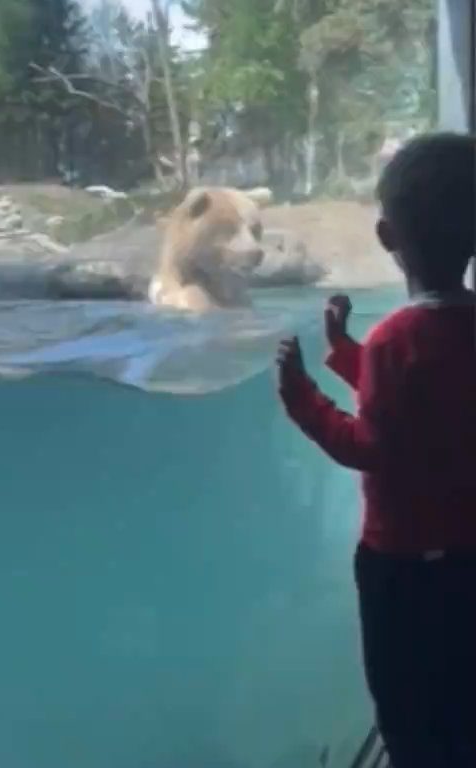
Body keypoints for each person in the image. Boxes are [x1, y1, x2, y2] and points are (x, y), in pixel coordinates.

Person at [276, 132, 476, 767]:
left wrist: (301, 394)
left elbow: (370, 444)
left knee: (407, 709)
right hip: (469, 558)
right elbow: (424, 411)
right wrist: (344, 351)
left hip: (402, 570)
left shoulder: (396, 339)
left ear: (388, 238)